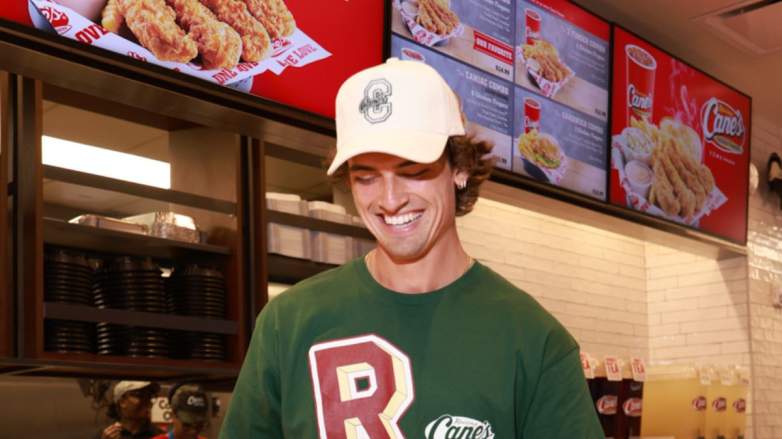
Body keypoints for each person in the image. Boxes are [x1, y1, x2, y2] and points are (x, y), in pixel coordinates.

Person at [220, 58, 602, 437]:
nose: (389, 200)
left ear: (460, 168)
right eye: (366, 177)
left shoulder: (534, 340)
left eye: (413, 172)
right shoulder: (288, 322)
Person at [98, 381, 163, 439]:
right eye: (139, 395)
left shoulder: (160, 436)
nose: (147, 401)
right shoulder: (106, 434)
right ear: (122, 402)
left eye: (149, 396)